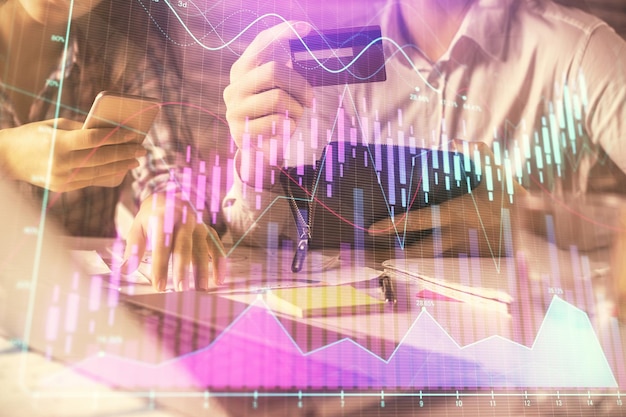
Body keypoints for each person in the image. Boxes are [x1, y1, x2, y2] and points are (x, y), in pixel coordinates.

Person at [221, 0, 626, 261]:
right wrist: (258, 164)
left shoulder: (581, 52)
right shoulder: (332, 61)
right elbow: (262, 242)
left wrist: (525, 225)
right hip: (382, 356)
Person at [0, 0, 225, 291]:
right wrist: (7, 155)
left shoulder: (126, 53)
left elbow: (169, 167)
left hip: (73, 300)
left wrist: (173, 202)